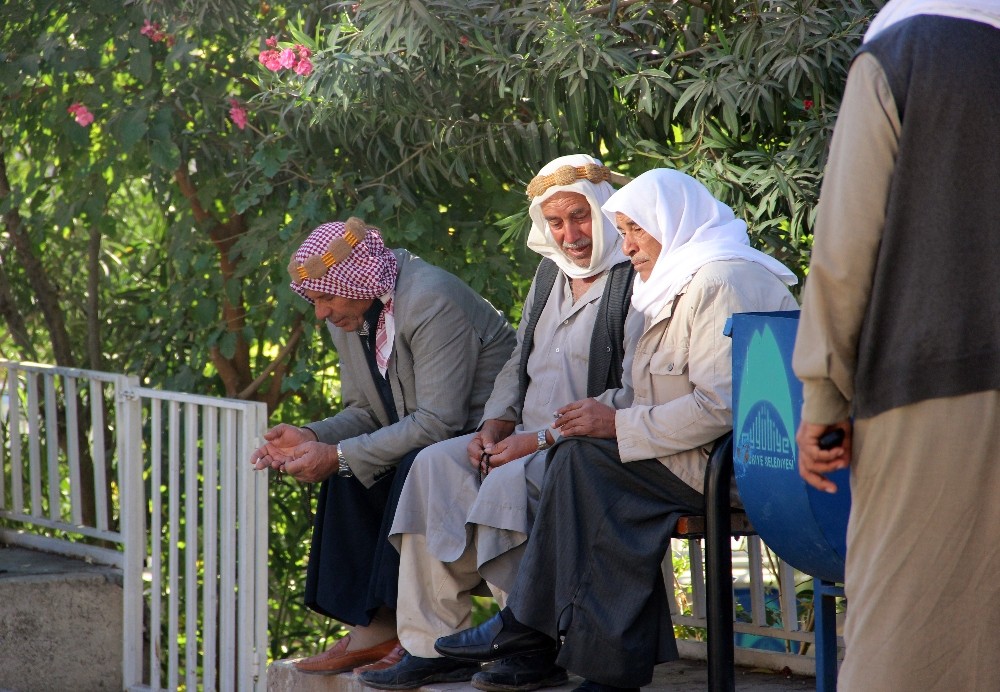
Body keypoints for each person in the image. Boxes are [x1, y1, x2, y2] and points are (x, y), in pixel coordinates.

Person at [434, 168, 798, 691]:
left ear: (671, 223)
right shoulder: (673, 280)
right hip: (681, 455)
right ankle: (592, 663)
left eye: (635, 230)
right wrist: (566, 428)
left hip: (732, 464)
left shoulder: (722, 280)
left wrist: (616, 426)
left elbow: (722, 408)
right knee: (579, 461)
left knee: (585, 466)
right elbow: (636, 393)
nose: (625, 246)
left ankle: (529, 629)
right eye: (622, 231)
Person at [357, 154, 643, 690]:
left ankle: (533, 645)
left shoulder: (633, 276)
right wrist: (494, 425)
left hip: (578, 442)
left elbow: (632, 387)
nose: (570, 234)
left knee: (509, 484)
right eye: (555, 223)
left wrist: (533, 441)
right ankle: (432, 643)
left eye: (578, 217)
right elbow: (520, 361)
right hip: (522, 434)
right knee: (432, 466)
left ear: (603, 211)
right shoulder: (550, 274)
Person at [792, 2, 1000, 689]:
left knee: (909, 645)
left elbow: (848, 243)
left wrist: (823, 394)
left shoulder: (908, 47)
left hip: (935, 393)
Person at [249, 217, 516, 675]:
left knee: (373, 461)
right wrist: (313, 437)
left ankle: (416, 633)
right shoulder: (351, 313)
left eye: (326, 297)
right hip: (431, 440)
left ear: (360, 278)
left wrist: (338, 454)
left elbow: (439, 422)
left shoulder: (430, 299)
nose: (321, 313)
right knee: (347, 467)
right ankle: (374, 629)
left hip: (486, 446)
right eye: (314, 301)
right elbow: (368, 412)